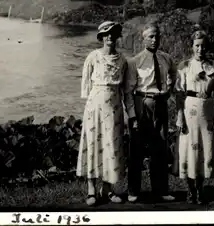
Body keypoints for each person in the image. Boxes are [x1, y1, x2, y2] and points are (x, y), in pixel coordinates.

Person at [76, 21, 136, 206]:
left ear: (117, 36)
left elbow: (127, 91)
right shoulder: (93, 57)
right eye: (106, 33)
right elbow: (86, 87)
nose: (110, 36)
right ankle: (92, 190)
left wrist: (131, 114)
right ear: (101, 37)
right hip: (95, 108)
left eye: (113, 33)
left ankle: (108, 189)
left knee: (112, 146)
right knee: (93, 144)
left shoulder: (123, 60)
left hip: (115, 108)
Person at [126, 23, 177, 203]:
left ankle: (161, 189)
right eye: (150, 37)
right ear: (143, 39)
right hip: (142, 103)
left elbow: (173, 73)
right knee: (136, 148)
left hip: (160, 103)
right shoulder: (135, 61)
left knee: (160, 147)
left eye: (157, 36)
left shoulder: (166, 58)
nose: (155, 40)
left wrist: (169, 89)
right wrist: (132, 116)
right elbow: (128, 91)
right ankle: (133, 190)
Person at [174, 30, 214, 204]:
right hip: (189, 110)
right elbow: (179, 94)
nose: (200, 49)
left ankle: (200, 189)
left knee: (204, 151)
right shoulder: (184, 66)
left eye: (203, 45)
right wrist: (179, 116)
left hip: (207, 113)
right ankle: (190, 190)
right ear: (192, 47)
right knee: (188, 150)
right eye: (197, 46)